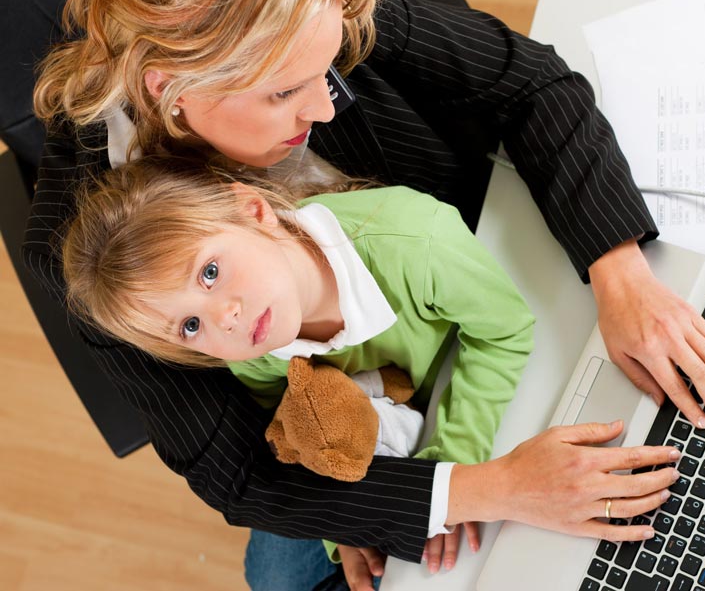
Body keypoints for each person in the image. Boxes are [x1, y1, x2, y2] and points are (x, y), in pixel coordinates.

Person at [26, 0, 705, 588]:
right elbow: (236, 469)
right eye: (284, 93)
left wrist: (620, 273)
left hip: (460, 290)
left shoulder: (299, 3)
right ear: (171, 88)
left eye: (324, 70)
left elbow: (528, 82)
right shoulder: (88, 256)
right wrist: (465, 491)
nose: (325, 105)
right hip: (328, 406)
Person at [61, 154, 536, 571]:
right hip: (384, 441)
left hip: (474, 403)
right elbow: (298, 431)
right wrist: (344, 526)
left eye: (210, 272)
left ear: (254, 210)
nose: (225, 319)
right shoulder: (254, 352)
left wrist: (450, 466)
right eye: (189, 325)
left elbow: (505, 328)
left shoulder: (414, 242)